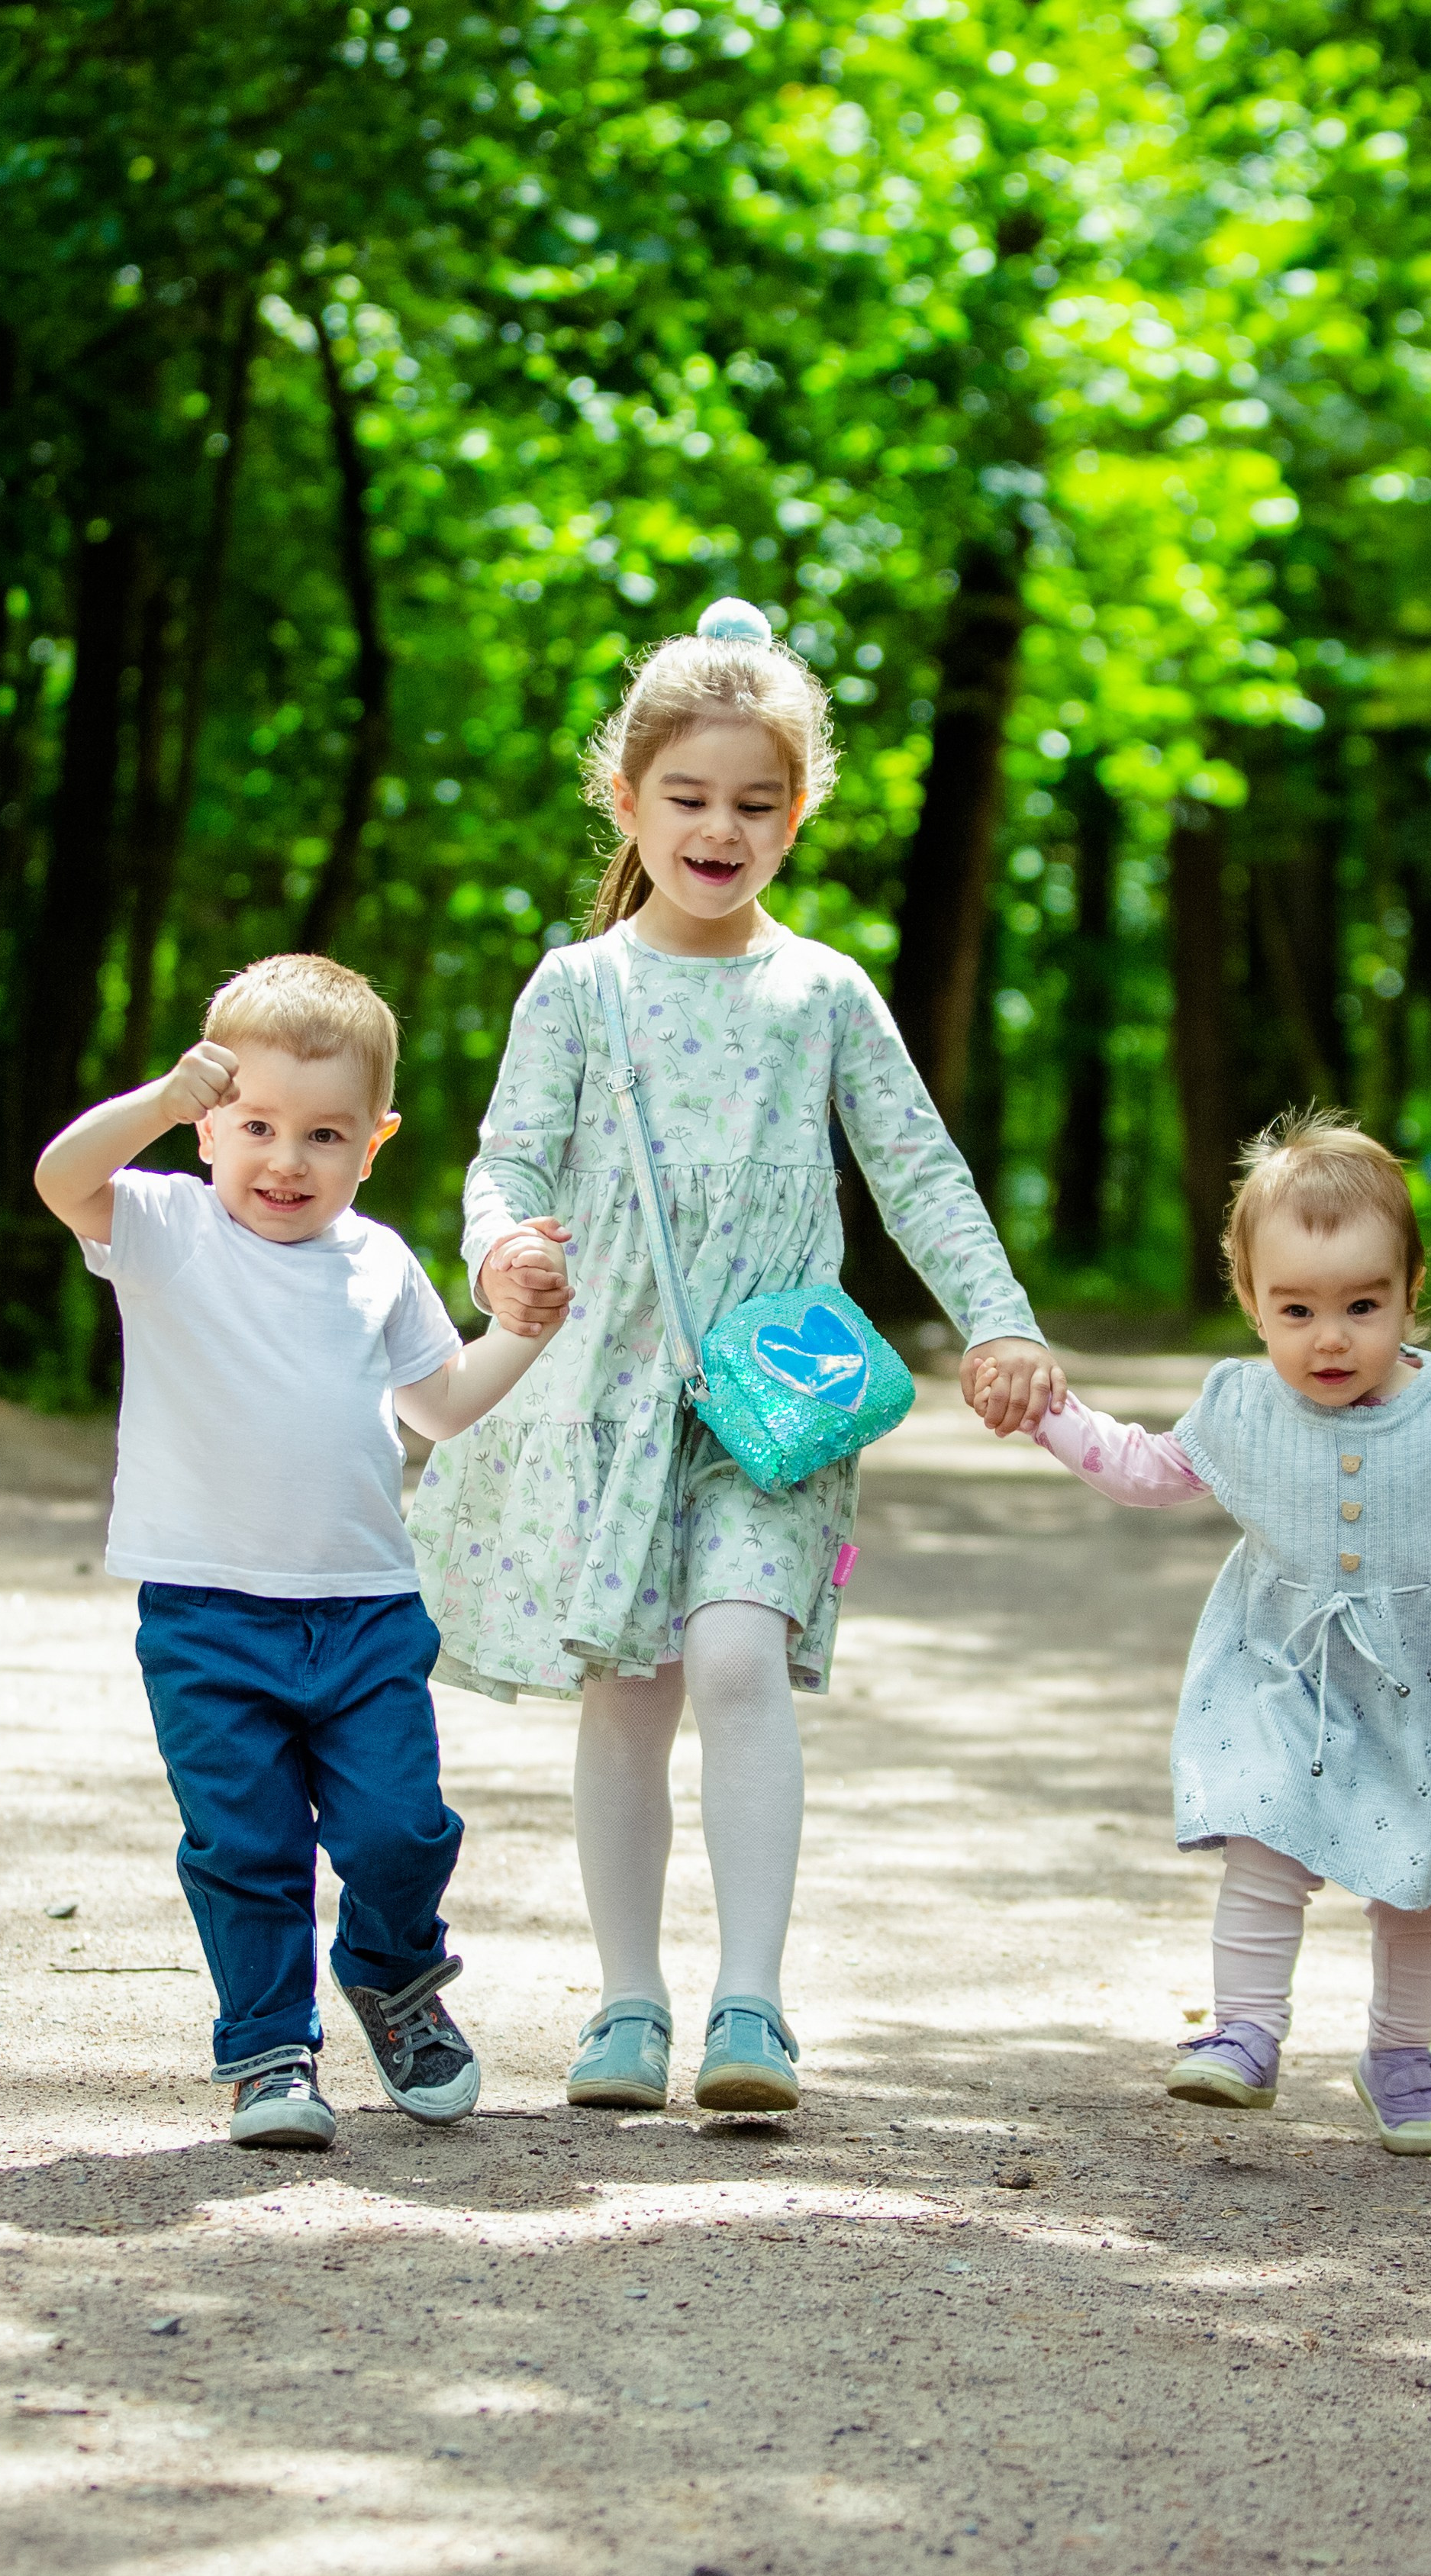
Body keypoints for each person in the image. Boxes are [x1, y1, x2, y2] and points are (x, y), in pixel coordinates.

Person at [408, 598, 1061, 2115]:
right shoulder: (577, 988)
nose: (721, 828)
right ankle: (627, 2004)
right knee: (630, 1689)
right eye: (688, 798)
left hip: (781, 1399)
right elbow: (507, 1159)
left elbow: (919, 1168)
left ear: (801, 811)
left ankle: (750, 2006)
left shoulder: (823, 990)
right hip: (619, 1394)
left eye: (756, 804)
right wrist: (502, 1247)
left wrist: (1002, 1319)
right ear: (625, 800)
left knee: (734, 1655)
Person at [968, 1110, 1431, 2157]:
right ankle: (1244, 2030)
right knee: (1261, 1837)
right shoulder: (1241, 1404)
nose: (1330, 1336)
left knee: (1418, 1880)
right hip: (1276, 1672)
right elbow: (1141, 1468)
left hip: (1420, 1687)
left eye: (1362, 1304)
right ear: (1250, 1300)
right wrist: (1046, 1413)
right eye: (1295, 1308)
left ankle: (1399, 2055)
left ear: (1409, 1290)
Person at [34, 954, 566, 2152]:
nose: (286, 1160)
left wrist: (520, 1331)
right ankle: (270, 2049)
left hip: (366, 1606)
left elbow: (437, 1407)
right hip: (208, 1613)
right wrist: (157, 1103)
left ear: (371, 1144)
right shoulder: (164, 1222)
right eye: (257, 1126)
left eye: (323, 1134)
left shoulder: (376, 1259)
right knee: (248, 1842)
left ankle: (390, 1973)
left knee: (403, 1828)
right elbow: (60, 1175)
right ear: (210, 1122)